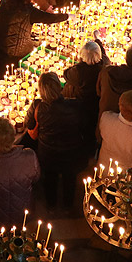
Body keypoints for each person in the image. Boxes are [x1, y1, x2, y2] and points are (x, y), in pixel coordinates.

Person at [25, 72, 94, 212]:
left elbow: (29, 124)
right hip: (72, 152)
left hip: (48, 153)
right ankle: (68, 204)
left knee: (50, 179)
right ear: (59, 87)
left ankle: (51, 203)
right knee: (70, 179)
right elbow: (85, 125)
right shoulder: (75, 105)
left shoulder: (38, 106)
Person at [0, 0, 69, 68]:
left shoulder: (4, 1)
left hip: (0, 44)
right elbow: (49, 18)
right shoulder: (29, 11)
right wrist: (67, 16)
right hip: (18, 51)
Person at [62, 34, 109, 108]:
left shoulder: (79, 71)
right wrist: (97, 40)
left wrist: (79, 63)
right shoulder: (104, 64)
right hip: (97, 100)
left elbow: (66, 74)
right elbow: (103, 54)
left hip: (81, 101)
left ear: (81, 55)